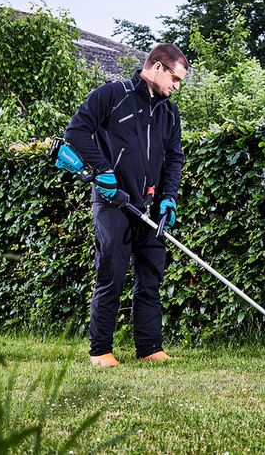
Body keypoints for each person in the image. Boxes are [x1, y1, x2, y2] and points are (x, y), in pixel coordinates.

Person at [64, 43, 189, 366]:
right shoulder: (112, 94)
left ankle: (149, 348)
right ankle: (100, 351)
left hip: (150, 206)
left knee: (150, 275)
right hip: (113, 202)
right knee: (112, 274)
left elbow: (174, 158)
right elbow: (76, 132)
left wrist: (169, 199)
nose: (176, 87)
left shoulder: (168, 112)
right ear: (158, 67)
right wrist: (103, 172)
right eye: (175, 79)